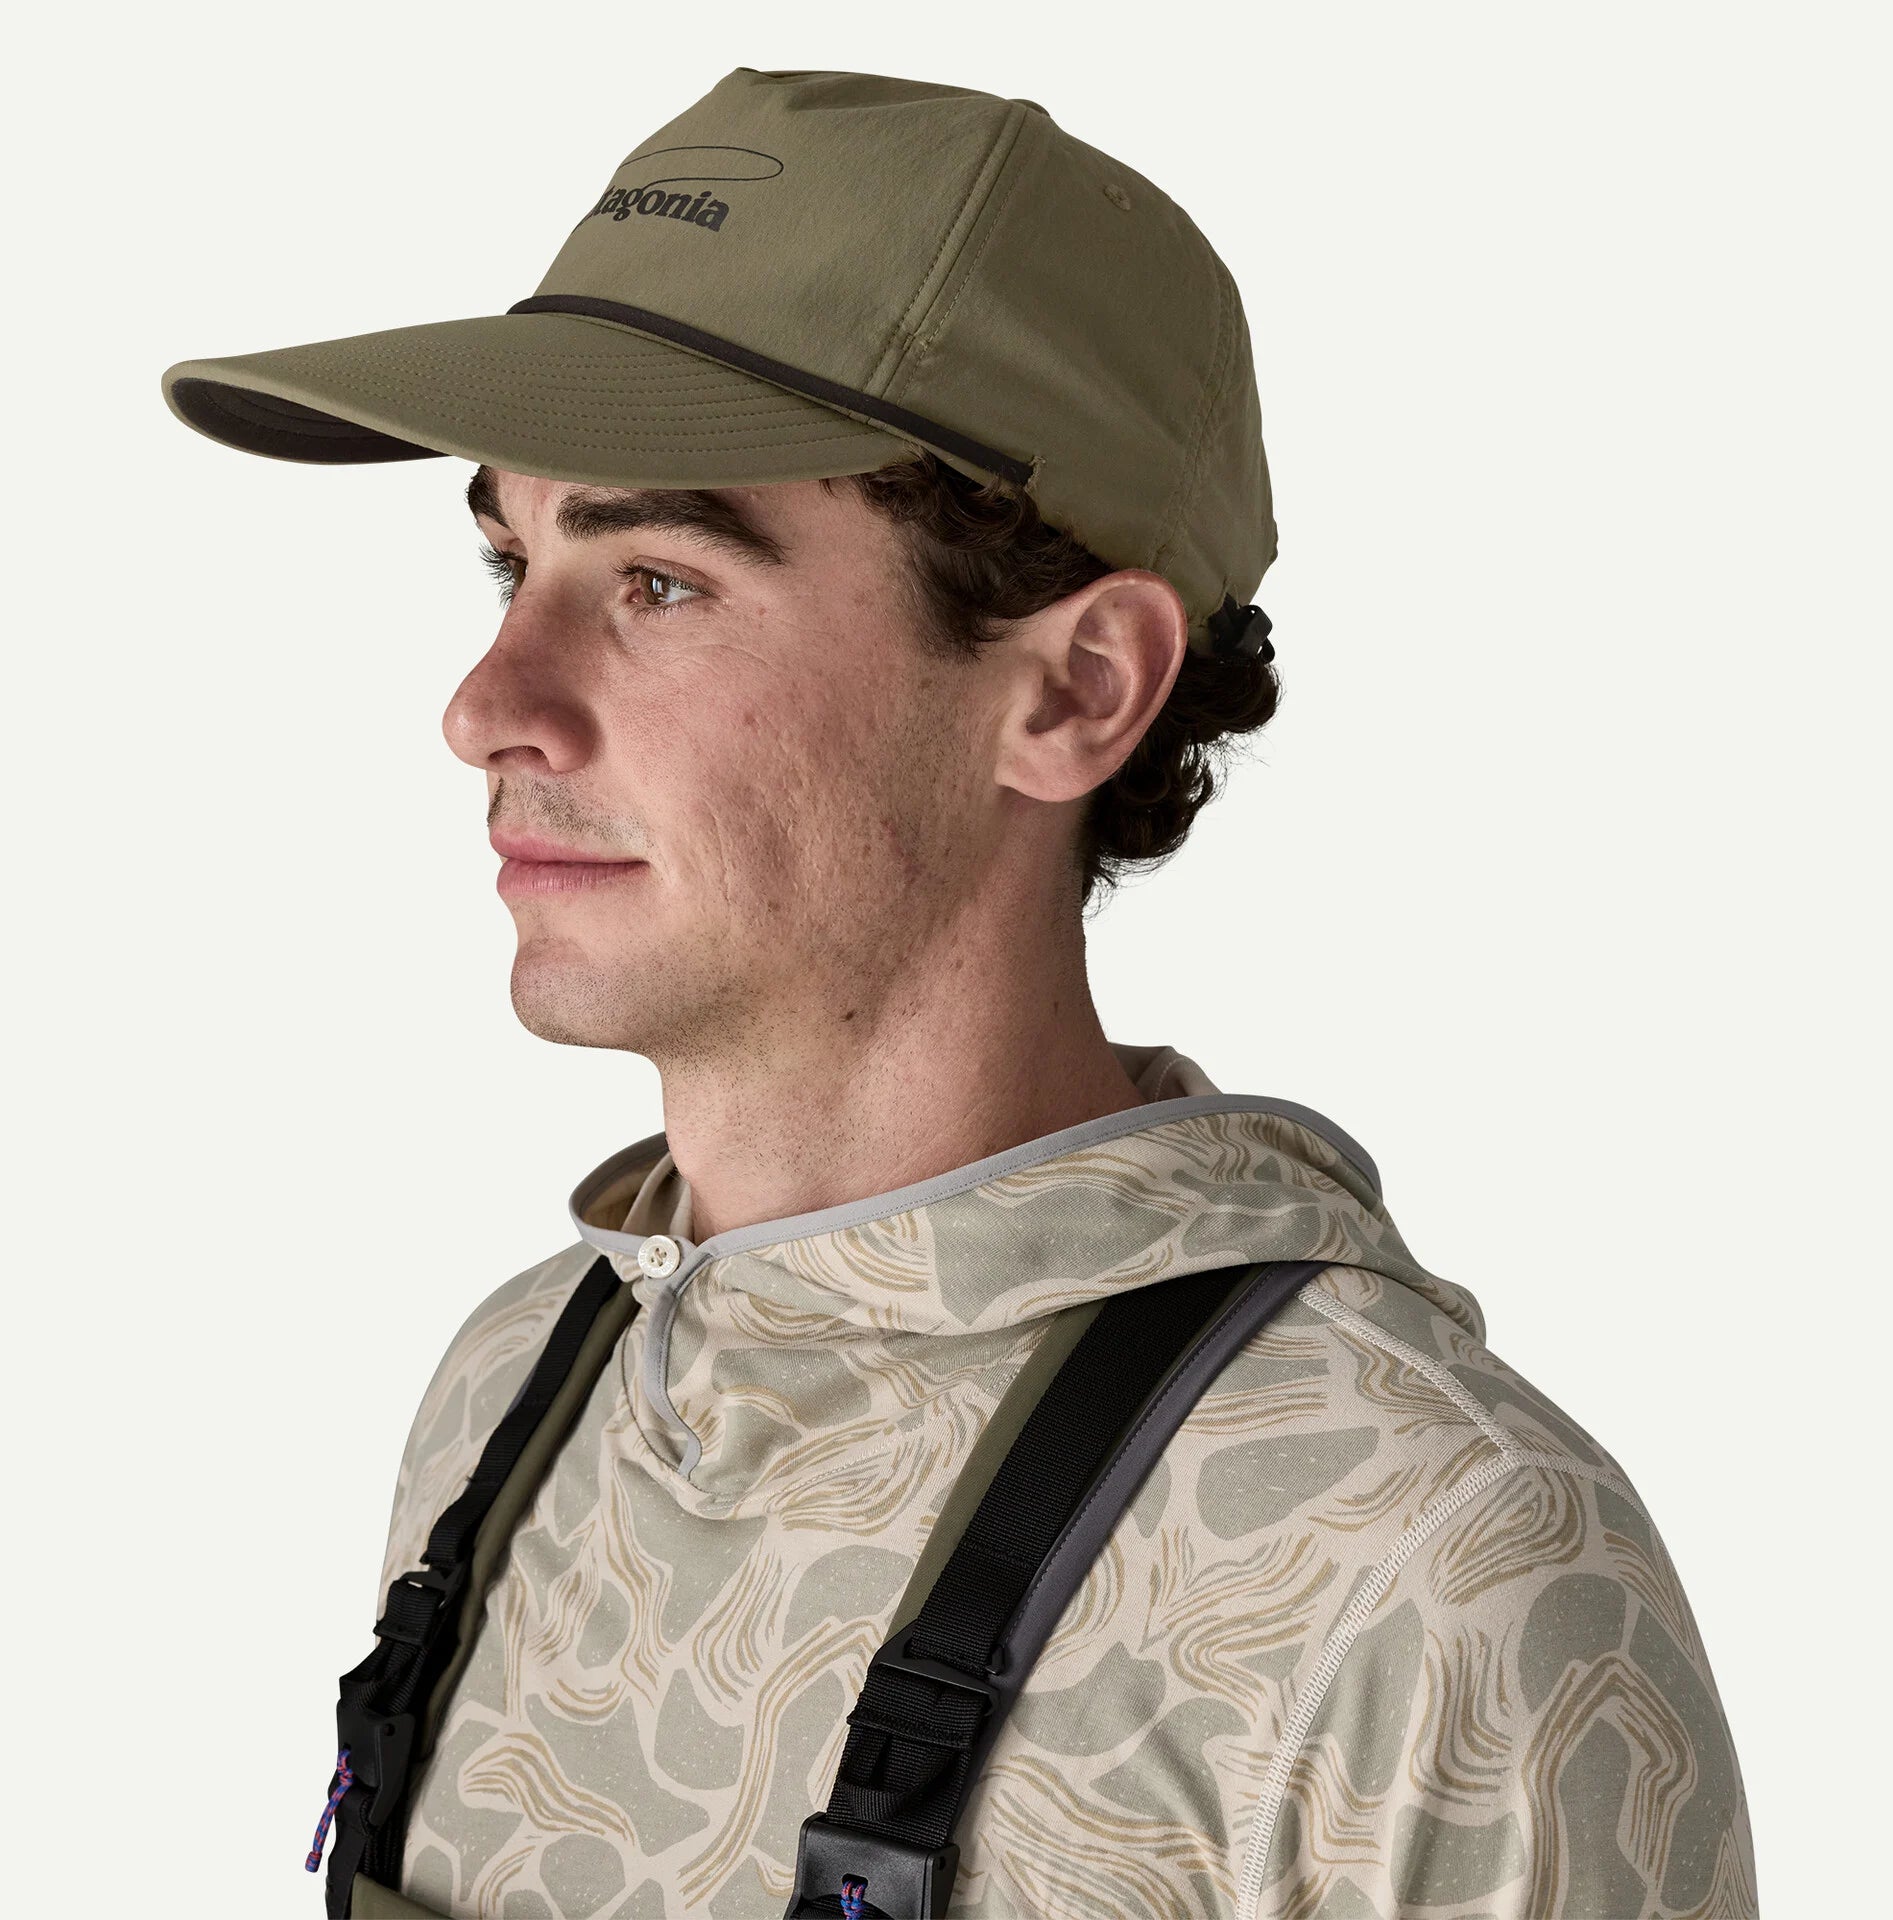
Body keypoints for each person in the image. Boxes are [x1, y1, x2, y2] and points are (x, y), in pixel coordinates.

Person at [163, 66, 1756, 1920]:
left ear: (1075, 690)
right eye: (515, 559)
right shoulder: (518, 1394)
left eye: (659, 580)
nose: (486, 705)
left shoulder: (1427, 1576)